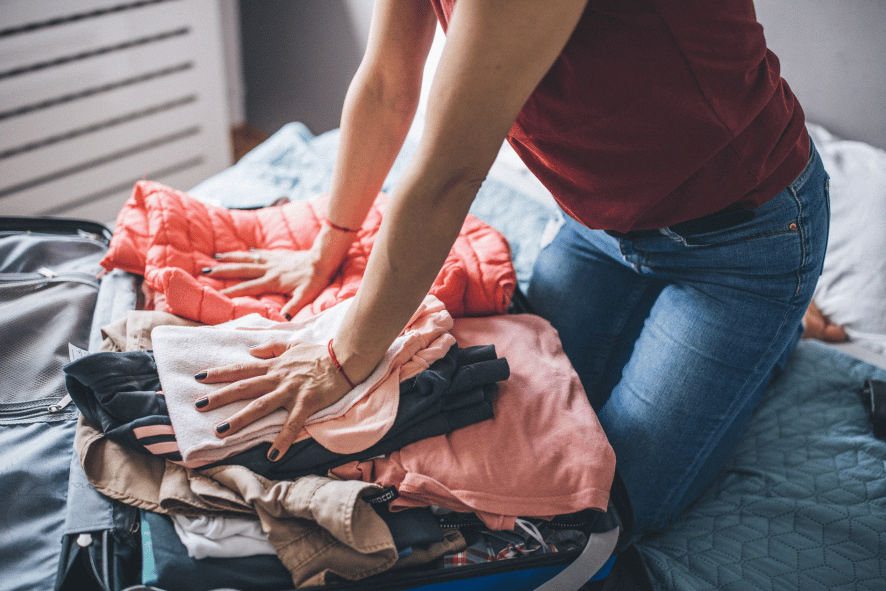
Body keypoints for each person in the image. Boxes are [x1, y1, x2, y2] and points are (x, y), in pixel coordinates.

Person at [192, 0, 829, 535]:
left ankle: (777, 326)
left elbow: (447, 173)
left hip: (740, 240)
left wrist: (339, 358)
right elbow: (388, 82)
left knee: (606, 505)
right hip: (600, 225)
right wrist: (332, 238)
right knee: (515, 419)